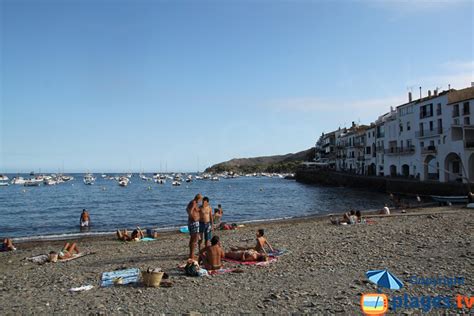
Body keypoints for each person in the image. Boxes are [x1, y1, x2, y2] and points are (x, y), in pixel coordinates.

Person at [187, 194, 202, 260]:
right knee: (194, 239)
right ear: (198, 198)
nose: (201, 201)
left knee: (193, 239)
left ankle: (191, 255)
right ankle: (191, 256)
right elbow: (189, 211)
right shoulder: (193, 202)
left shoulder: (193, 202)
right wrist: (193, 218)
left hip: (192, 222)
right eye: (200, 199)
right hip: (194, 223)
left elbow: (187, 209)